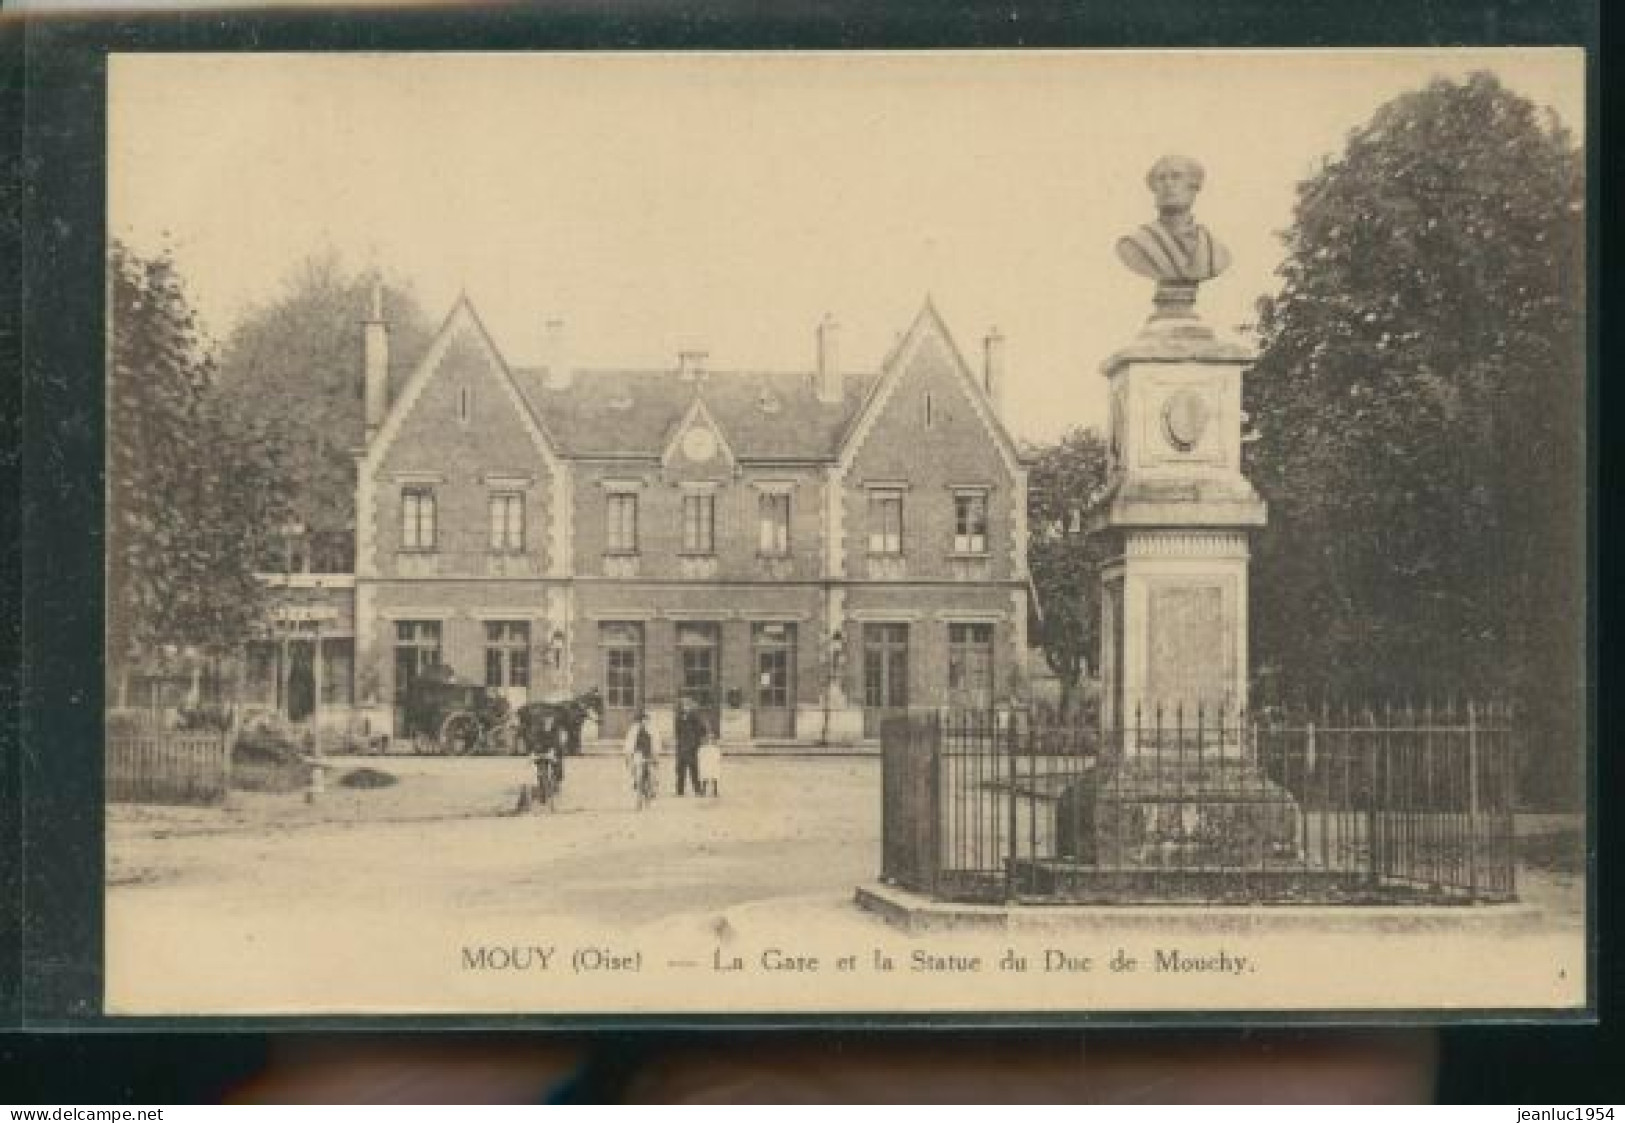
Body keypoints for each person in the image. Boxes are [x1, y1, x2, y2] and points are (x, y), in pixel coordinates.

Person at [622, 709, 663, 796]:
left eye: (647, 719)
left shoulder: (653, 729)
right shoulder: (634, 729)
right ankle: (637, 782)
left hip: (649, 752)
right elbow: (630, 741)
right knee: (636, 767)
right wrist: (628, 753)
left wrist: (656, 753)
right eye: (643, 720)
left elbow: (656, 742)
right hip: (638, 752)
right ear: (640, 721)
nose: (645, 721)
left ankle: (652, 787)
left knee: (652, 771)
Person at [674, 699, 708, 797]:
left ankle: (697, 790)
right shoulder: (678, 717)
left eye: (687, 705)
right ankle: (680, 791)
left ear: (691, 706)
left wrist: (697, 740)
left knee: (694, 769)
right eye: (683, 705)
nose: (685, 707)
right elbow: (677, 731)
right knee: (680, 770)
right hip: (681, 747)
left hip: (692, 747)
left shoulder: (695, 716)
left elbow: (703, 729)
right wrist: (679, 743)